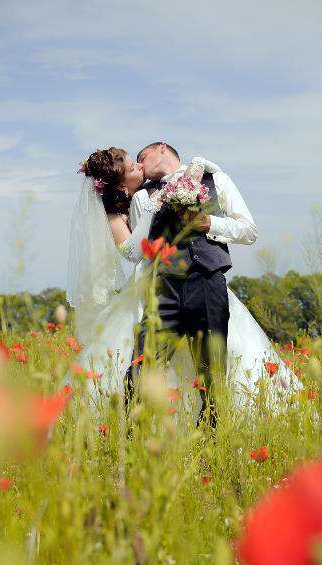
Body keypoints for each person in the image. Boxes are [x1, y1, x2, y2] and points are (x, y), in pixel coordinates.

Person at [65, 145, 300, 420]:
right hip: (162, 288)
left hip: (208, 280)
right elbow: (141, 251)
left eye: (141, 159)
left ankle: (212, 434)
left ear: (162, 149)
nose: (140, 168)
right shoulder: (141, 197)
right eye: (134, 165)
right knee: (143, 367)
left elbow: (249, 230)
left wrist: (208, 223)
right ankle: (132, 433)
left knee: (213, 369)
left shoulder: (216, 179)